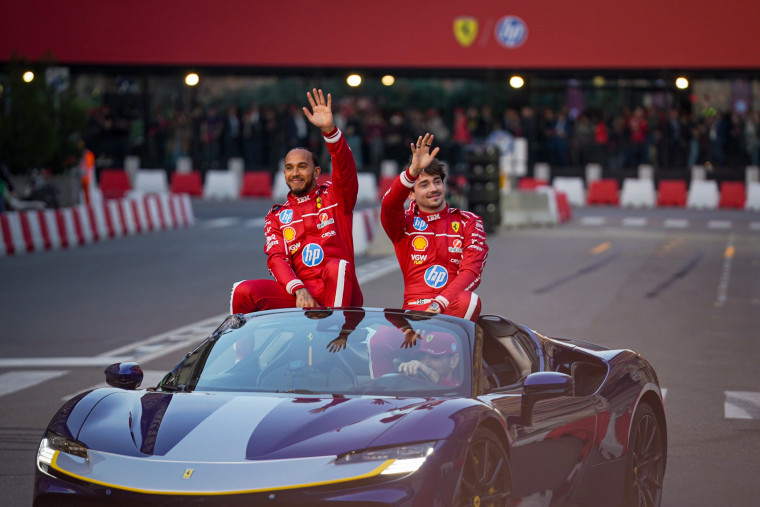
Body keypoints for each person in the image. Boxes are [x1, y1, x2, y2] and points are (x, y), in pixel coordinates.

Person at [230, 89, 363, 314]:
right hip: (300, 295)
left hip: (339, 292)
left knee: (336, 267)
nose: (295, 173)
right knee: (242, 291)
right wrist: (298, 288)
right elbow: (276, 258)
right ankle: (243, 351)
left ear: (317, 171)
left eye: (302, 166)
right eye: (289, 168)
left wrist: (330, 132)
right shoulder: (277, 215)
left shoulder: (335, 197)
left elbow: (346, 170)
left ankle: (333, 335)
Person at [380, 132, 488, 322]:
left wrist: (439, 303)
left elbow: (471, 272)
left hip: (449, 309)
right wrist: (412, 171)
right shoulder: (403, 223)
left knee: (469, 301)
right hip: (413, 312)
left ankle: (440, 350)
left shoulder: (469, 222)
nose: (433, 189)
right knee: (379, 340)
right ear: (411, 194)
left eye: (437, 182)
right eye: (424, 184)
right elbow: (389, 205)